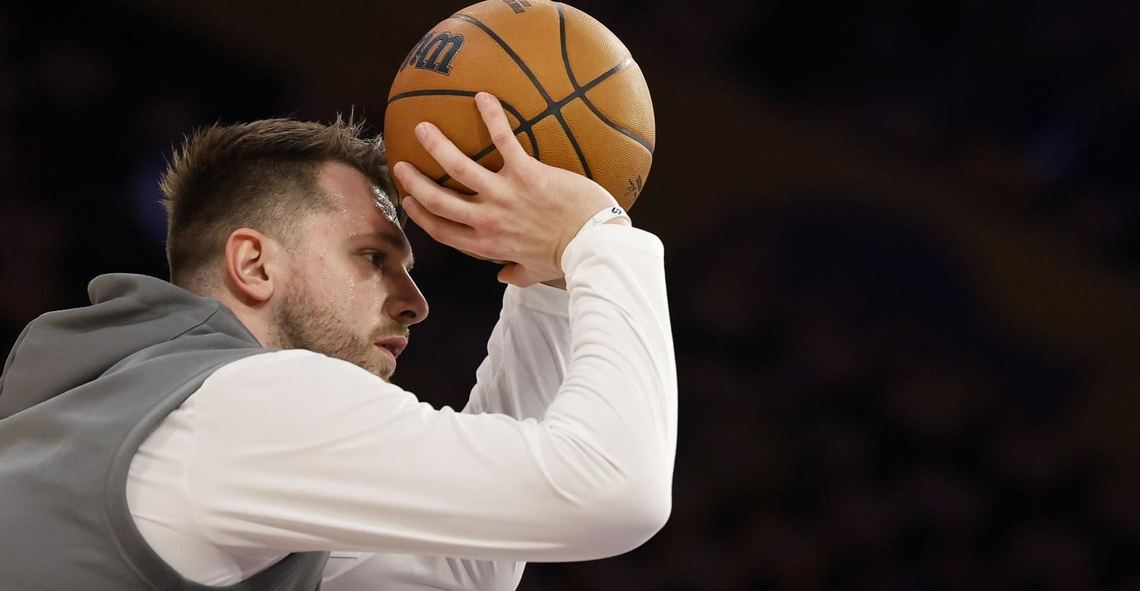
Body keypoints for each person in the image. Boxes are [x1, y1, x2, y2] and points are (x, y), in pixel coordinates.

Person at [0, 92, 676, 589]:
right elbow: (614, 492)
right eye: (373, 258)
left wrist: (550, 288)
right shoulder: (253, 401)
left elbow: (463, 569)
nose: (416, 304)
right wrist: (598, 238)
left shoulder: (111, 394)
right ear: (254, 265)